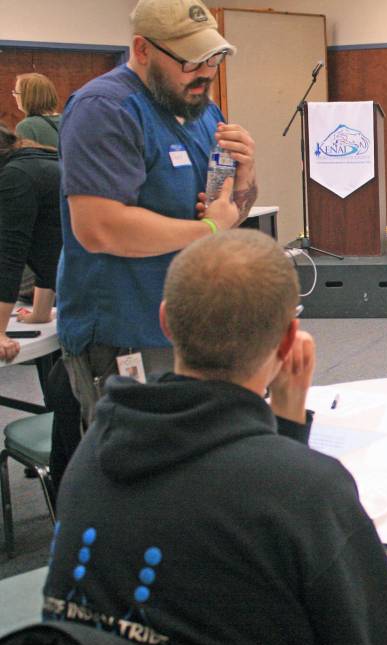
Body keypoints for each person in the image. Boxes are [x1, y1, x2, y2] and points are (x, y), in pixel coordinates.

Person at [42, 230, 387, 645]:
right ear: (286, 340)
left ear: (166, 320)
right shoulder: (308, 489)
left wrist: (285, 425)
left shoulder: (94, 449)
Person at [56, 0, 259, 424]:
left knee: (195, 459)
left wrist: (245, 177)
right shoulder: (105, 109)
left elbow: (228, 213)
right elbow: (100, 228)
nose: (205, 72)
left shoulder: (201, 111)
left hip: (193, 323)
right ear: (142, 50)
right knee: (137, 473)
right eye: (190, 61)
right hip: (125, 332)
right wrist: (206, 229)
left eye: (213, 58)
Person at [0, 124, 60, 363]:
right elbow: (49, 237)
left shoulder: (16, 176)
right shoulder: (34, 161)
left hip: (93, 295)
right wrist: (40, 313)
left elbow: (9, 255)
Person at [13, 73, 61, 148]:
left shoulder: (26, 126)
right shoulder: (68, 120)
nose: (14, 96)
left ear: (27, 96)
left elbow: (26, 158)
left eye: (16, 92)